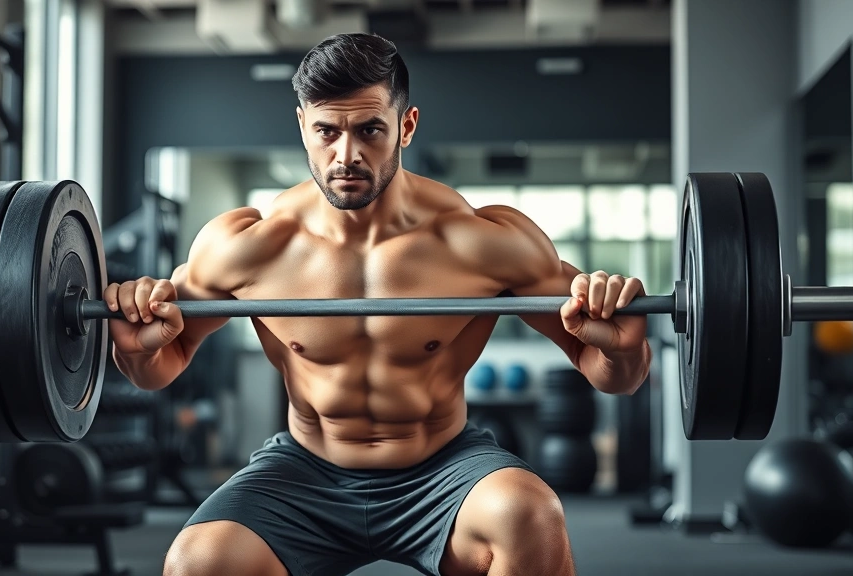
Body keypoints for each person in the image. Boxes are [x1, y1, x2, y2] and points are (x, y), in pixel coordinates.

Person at [105, 33, 651, 576]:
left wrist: (623, 349)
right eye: (327, 131)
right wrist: (135, 347)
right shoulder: (250, 246)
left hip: (443, 468)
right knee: (198, 561)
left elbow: (613, 375)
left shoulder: (481, 242)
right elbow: (160, 366)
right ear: (302, 125)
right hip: (305, 472)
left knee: (529, 515)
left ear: (406, 126)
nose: (347, 155)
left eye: (369, 129)